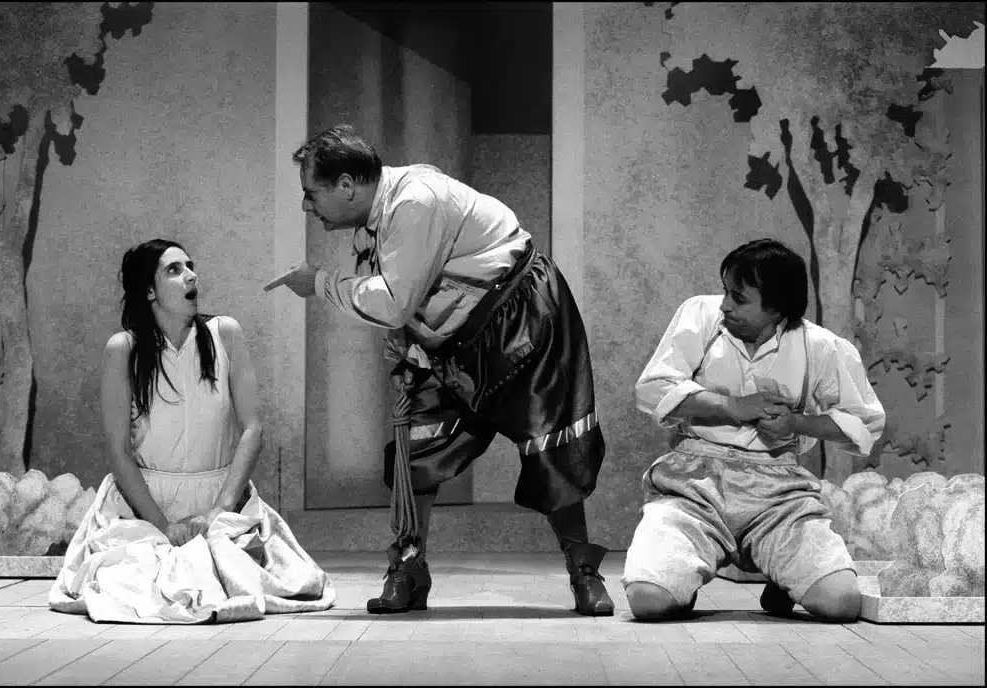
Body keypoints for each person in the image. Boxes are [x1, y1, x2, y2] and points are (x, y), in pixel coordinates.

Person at [264, 124, 613, 616]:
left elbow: (392, 302)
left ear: (346, 185)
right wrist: (404, 350)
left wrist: (320, 282)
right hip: (451, 340)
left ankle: (583, 571)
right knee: (417, 446)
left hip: (523, 318)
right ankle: (408, 567)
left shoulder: (414, 203)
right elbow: (399, 300)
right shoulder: (373, 220)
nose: (306, 205)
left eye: (310, 192)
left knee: (550, 441)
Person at [49, 239, 335, 623]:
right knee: (136, 589)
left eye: (190, 266)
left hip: (219, 499)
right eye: (174, 269)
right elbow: (118, 452)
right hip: (144, 505)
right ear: (149, 291)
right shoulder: (124, 349)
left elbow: (253, 429)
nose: (191, 275)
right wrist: (163, 526)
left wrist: (219, 510)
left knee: (261, 582)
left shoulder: (225, 334)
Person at [623, 238, 885, 622]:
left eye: (739, 298)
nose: (725, 304)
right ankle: (681, 584)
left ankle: (783, 578)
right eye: (726, 291)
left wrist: (796, 422)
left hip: (777, 492)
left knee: (840, 603)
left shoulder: (819, 346)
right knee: (649, 601)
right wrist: (730, 405)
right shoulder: (701, 316)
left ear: (777, 308)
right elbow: (652, 389)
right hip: (695, 484)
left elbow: (866, 422)